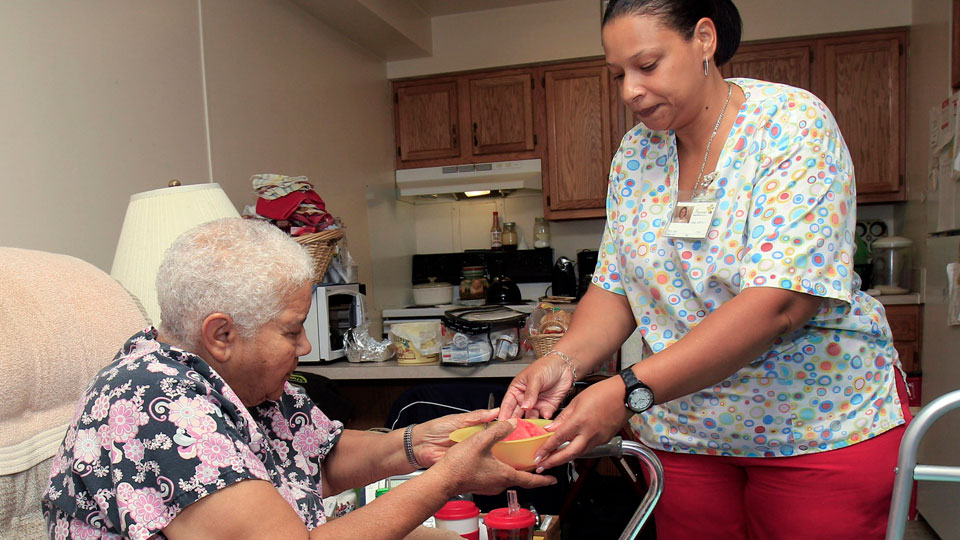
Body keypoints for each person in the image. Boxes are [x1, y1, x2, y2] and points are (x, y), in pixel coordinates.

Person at [498, 1, 911, 538]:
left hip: (816, 428)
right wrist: (562, 363)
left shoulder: (791, 124)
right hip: (685, 434)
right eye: (618, 74)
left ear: (704, 40)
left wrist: (626, 393)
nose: (629, 90)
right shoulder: (635, 153)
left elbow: (780, 303)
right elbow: (617, 287)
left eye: (647, 65)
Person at [43, 218, 554, 540]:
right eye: (291, 331)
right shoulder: (156, 404)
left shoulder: (241, 381)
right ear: (221, 334)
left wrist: (423, 445)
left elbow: (322, 456)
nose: (305, 348)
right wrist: (449, 479)